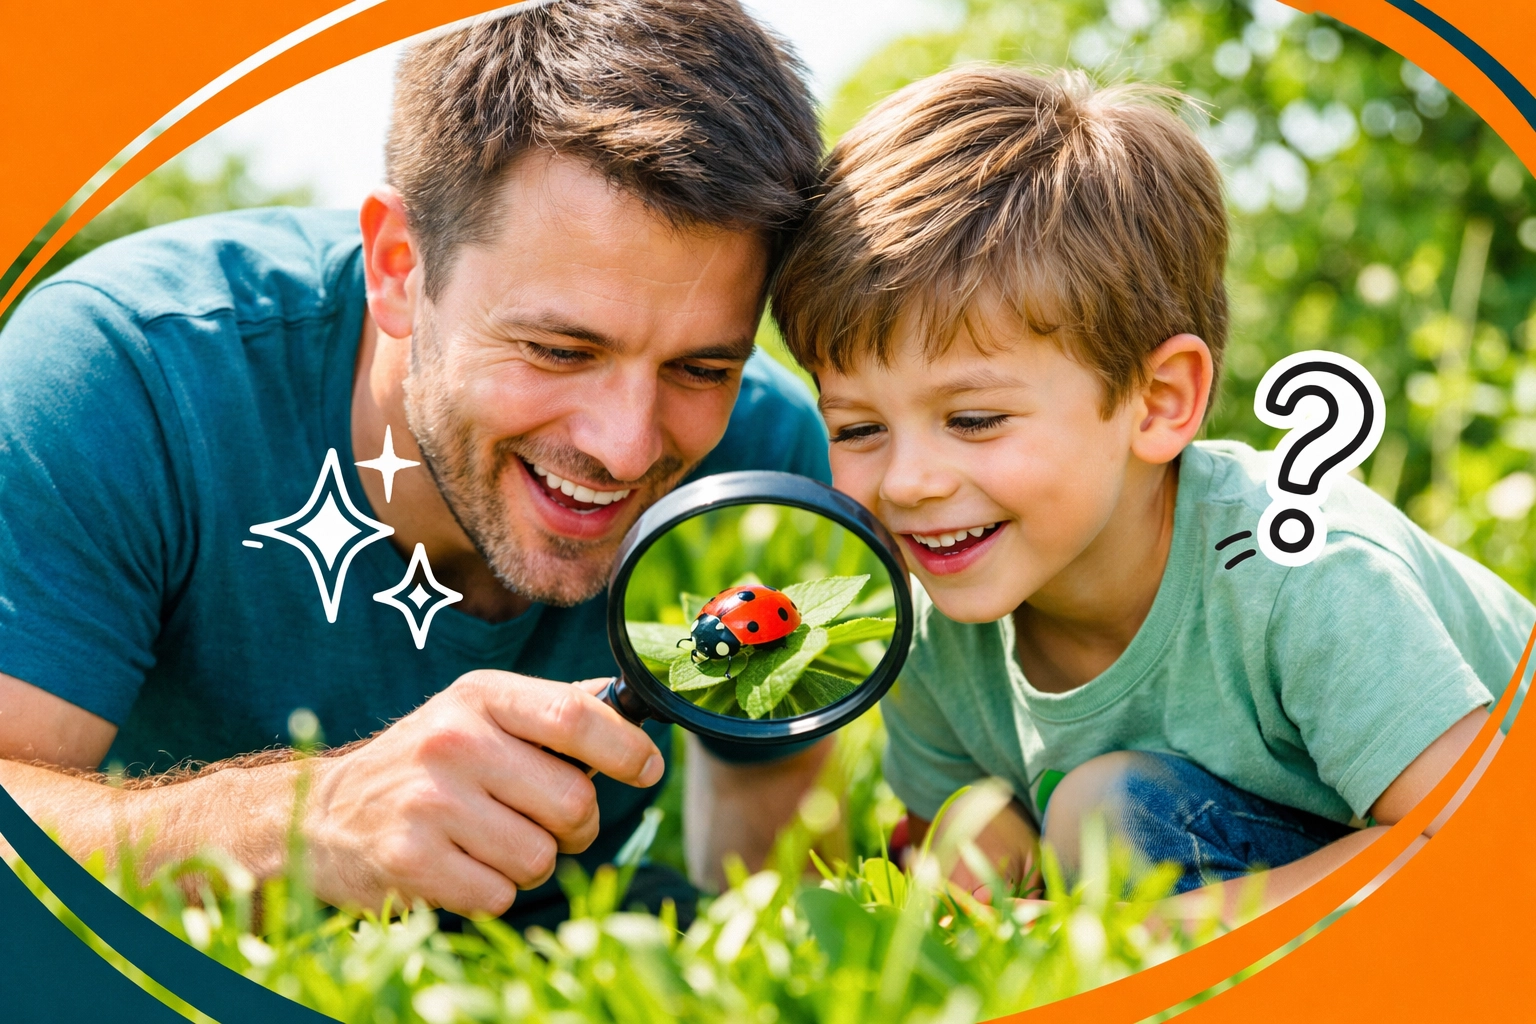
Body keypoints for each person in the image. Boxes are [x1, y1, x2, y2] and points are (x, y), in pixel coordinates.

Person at [0, 0, 832, 930]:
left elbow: (763, 829)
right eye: (559, 350)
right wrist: (304, 823)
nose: (626, 446)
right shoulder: (125, 373)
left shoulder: (765, 454)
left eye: (702, 369)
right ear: (398, 265)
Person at [769, 66, 1532, 916]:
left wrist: (1161, 934)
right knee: (1078, 818)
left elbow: (1486, 848)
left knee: (1103, 816)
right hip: (1301, 849)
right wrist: (973, 880)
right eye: (858, 429)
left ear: (1159, 401)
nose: (909, 481)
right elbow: (970, 847)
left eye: (975, 420)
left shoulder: (1301, 578)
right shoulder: (936, 639)